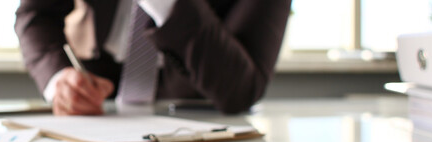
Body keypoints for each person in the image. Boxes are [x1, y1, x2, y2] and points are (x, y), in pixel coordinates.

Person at [15, 0, 291, 115]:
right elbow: (36, 14)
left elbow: (241, 89)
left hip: (200, 114)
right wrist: (59, 78)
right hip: (96, 107)